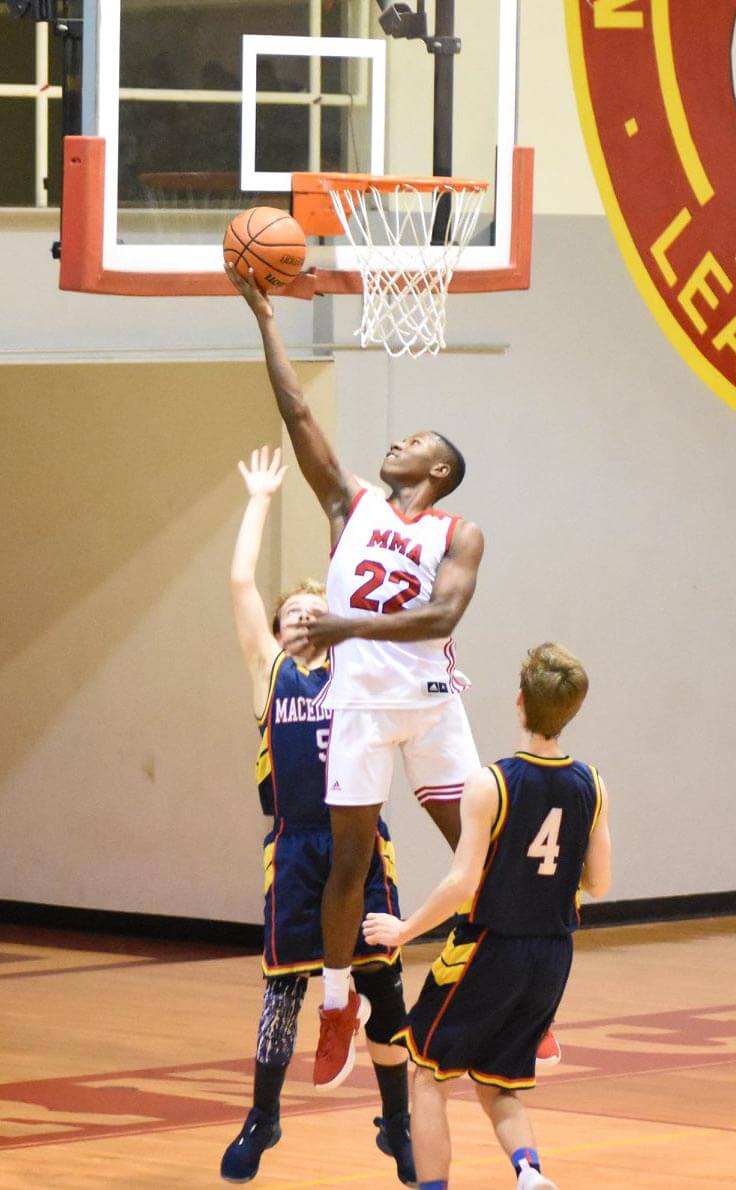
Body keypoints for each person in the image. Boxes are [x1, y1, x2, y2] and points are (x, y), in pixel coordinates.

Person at [226, 263, 486, 1091]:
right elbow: (295, 407)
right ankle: (338, 998)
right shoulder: (350, 504)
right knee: (350, 863)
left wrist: (344, 625)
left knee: (483, 852)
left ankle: (502, 983)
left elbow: (442, 619)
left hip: (433, 703)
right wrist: (264, 316)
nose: (396, 444)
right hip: (364, 709)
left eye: (414, 442)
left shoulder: (460, 532)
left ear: (438, 471)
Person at [220, 446, 416, 1185]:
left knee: (383, 988)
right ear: (278, 627)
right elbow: (241, 580)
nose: (304, 615)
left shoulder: (355, 667)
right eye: (292, 612)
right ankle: (262, 1117)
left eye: (315, 610)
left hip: (361, 847)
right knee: (283, 991)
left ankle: (395, 1124)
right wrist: (263, 499)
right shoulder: (269, 672)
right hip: (298, 848)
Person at [363, 642, 612, 1190]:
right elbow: (599, 881)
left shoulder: (490, 783)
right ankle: (528, 1172)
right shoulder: (591, 784)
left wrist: (404, 930)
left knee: (427, 1075)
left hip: (489, 947)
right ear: (570, 711)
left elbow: (461, 884)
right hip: (552, 954)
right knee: (501, 1082)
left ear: (519, 703)